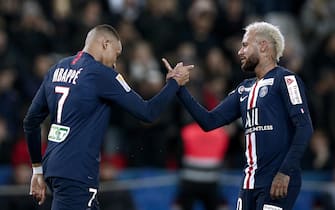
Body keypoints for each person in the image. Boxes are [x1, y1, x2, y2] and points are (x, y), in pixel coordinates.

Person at [23, 24, 194, 210]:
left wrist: (37, 170)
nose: (115, 63)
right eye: (117, 54)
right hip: (77, 170)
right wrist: (174, 84)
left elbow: (31, 121)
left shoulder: (56, 69)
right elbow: (147, 113)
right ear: (105, 44)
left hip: (54, 166)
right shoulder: (102, 74)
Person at [164, 21, 313, 210]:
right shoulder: (244, 89)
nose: (239, 52)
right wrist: (180, 88)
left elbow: (304, 127)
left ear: (263, 46)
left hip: (277, 180)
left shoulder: (286, 80)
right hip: (249, 184)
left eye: (244, 45)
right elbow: (209, 121)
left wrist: (285, 172)